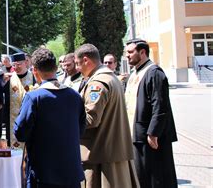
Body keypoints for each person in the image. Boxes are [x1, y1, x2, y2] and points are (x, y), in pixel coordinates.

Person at [14, 48, 86, 188]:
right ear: (56, 67)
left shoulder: (34, 98)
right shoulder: (75, 96)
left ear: (34, 70)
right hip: (70, 170)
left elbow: (20, 133)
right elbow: (81, 129)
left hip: (44, 172)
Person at [75, 44, 138, 188]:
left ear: (86, 60)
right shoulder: (111, 78)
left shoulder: (97, 84)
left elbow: (90, 119)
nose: (77, 68)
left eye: (78, 64)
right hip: (113, 150)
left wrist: (66, 121)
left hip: (101, 156)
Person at [125, 39, 177, 188]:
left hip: (150, 138)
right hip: (137, 135)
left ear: (142, 52)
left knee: (156, 177)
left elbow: (160, 105)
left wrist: (153, 133)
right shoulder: (135, 73)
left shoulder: (154, 72)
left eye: (130, 52)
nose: (127, 56)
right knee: (142, 176)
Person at [0, 52, 37, 147]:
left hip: (29, 117)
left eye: (19, 64)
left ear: (26, 63)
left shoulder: (33, 77)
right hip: (12, 118)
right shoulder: (9, 77)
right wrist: (2, 82)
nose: (17, 67)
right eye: (14, 65)